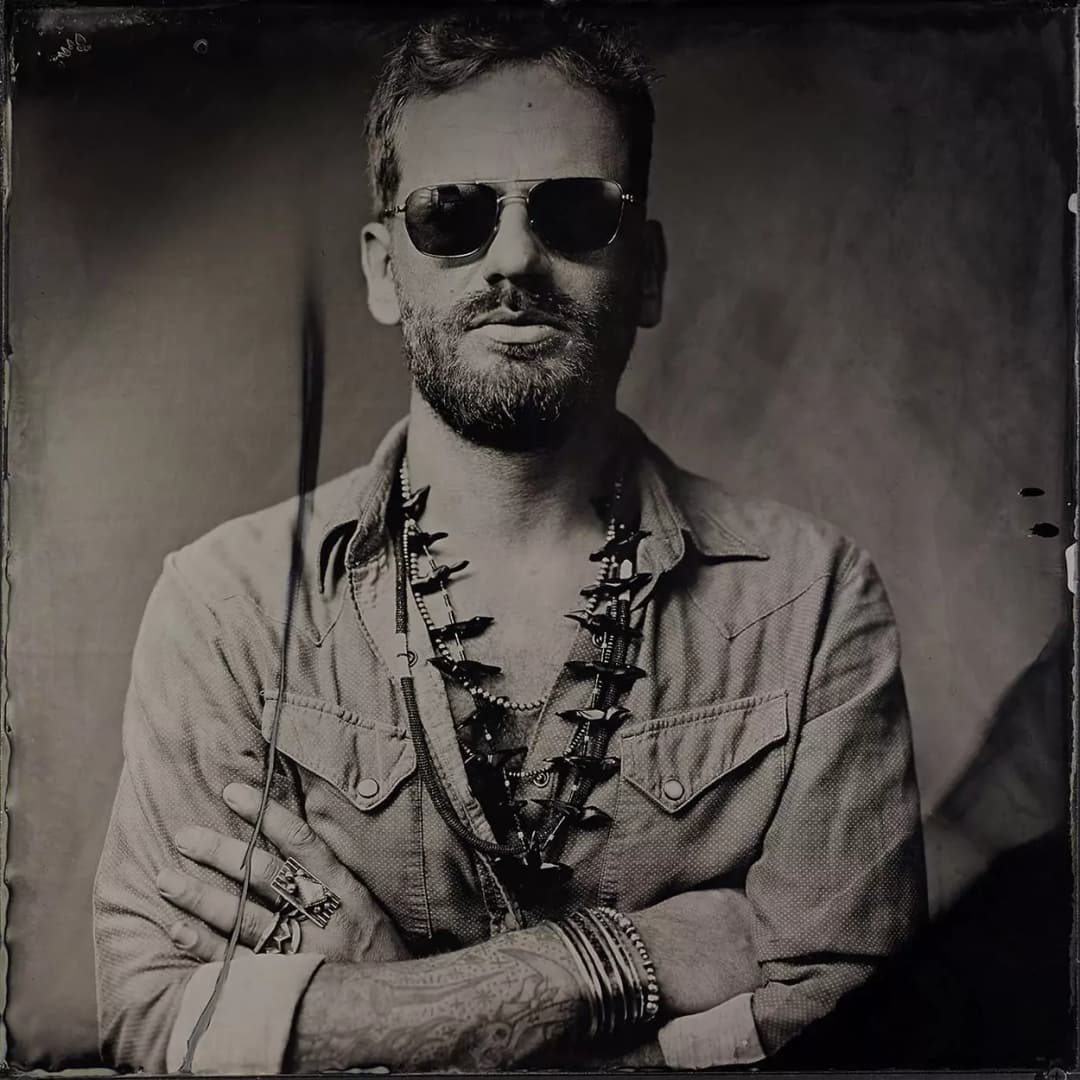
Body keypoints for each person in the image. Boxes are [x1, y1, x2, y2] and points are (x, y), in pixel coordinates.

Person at [93, 10, 926, 1074]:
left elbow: (861, 1029)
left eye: (577, 212)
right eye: (453, 214)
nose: (515, 258)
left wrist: (373, 990)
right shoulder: (227, 607)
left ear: (650, 271)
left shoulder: (811, 604)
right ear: (385, 269)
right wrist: (601, 966)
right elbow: (163, 1022)